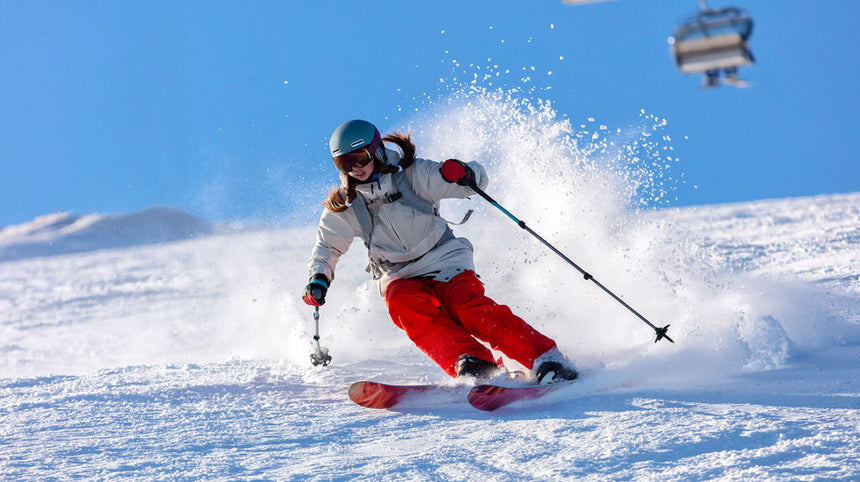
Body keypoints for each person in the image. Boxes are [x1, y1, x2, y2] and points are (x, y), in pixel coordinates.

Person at [303, 119, 578, 384]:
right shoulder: (346, 204)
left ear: (375, 150)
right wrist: (319, 278)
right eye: (344, 163)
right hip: (398, 274)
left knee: (466, 307)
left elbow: (476, 180)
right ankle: (473, 361)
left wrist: (463, 173)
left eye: (360, 157)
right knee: (403, 305)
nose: (355, 168)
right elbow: (328, 245)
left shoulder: (412, 174)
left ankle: (546, 358)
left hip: (443, 258)